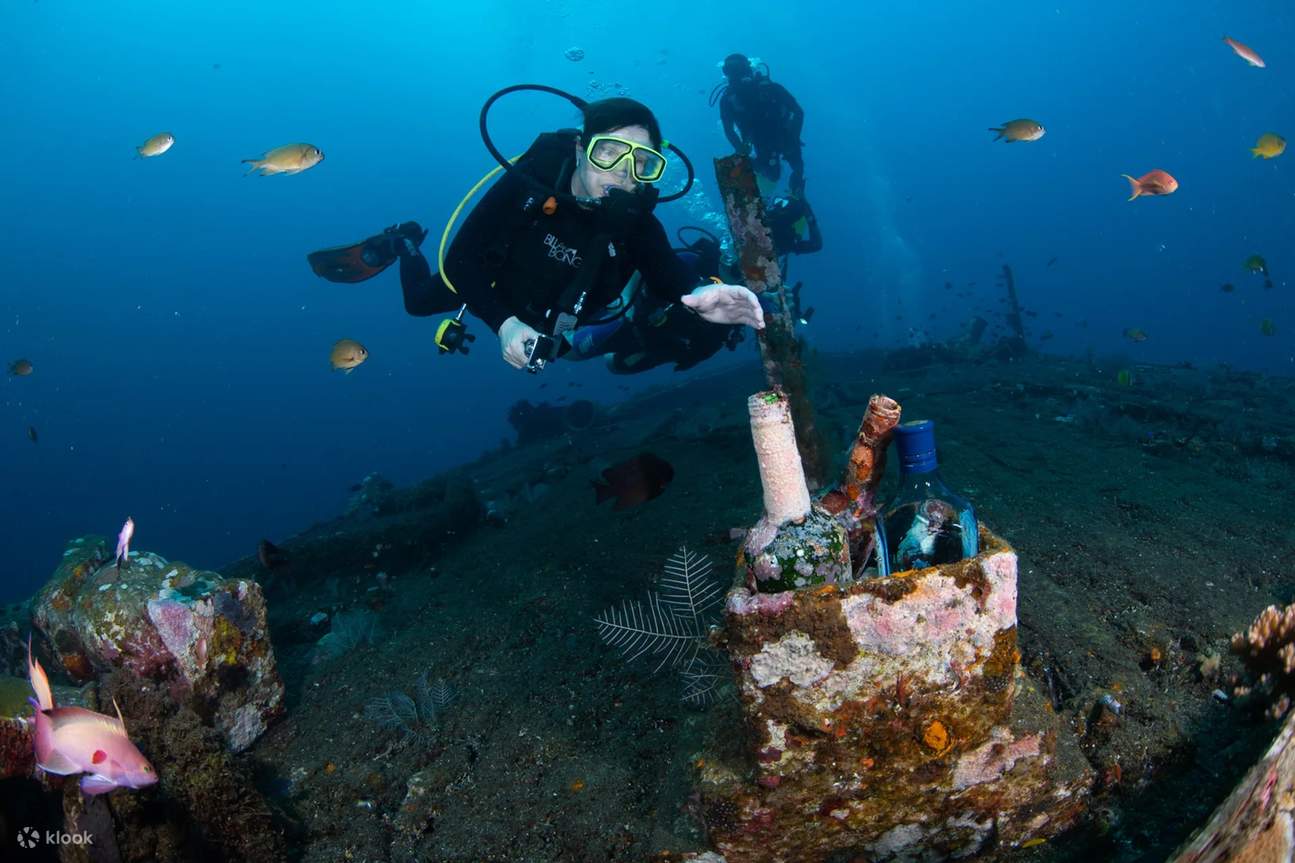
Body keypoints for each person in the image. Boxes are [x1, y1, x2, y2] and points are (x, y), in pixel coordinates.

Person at [310, 97, 763, 373]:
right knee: (417, 304)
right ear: (581, 150)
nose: (623, 173)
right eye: (609, 152)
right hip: (488, 285)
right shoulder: (535, 179)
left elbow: (668, 275)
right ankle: (403, 243)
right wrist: (502, 324)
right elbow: (461, 259)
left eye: (641, 163)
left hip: (549, 312)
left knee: (560, 353)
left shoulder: (635, 221)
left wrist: (704, 294)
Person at [715, 54, 805, 193]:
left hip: (783, 134)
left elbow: (798, 112)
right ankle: (748, 172)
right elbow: (728, 129)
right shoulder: (728, 100)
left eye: (739, 68)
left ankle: (794, 198)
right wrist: (740, 150)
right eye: (732, 70)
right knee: (773, 175)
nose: (737, 74)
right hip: (761, 140)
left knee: (797, 170)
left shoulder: (771, 89)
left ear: (748, 68)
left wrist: (794, 136)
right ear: (727, 73)